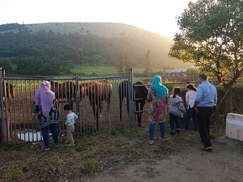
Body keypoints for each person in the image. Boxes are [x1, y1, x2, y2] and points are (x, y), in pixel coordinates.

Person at [193, 73, 217, 152]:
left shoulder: (201, 86)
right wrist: (214, 106)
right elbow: (215, 98)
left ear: (200, 78)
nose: (197, 80)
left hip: (203, 108)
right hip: (211, 107)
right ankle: (205, 139)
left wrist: (195, 105)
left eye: (198, 78)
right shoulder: (213, 86)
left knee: (202, 126)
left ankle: (207, 145)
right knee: (207, 125)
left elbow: (199, 97)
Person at [32, 81, 59, 151]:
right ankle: (56, 143)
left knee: (44, 130)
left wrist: (34, 113)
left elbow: (35, 105)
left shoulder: (38, 94)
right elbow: (54, 103)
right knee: (53, 128)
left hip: (42, 114)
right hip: (52, 112)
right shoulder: (52, 93)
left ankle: (46, 146)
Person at [147, 75, 168, 145]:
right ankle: (162, 137)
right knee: (162, 122)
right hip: (163, 109)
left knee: (152, 123)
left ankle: (151, 140)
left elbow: (149, 98)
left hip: (154, 108)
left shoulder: (152, 88)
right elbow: (167, 99)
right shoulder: (164, 88)